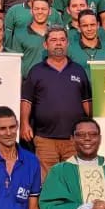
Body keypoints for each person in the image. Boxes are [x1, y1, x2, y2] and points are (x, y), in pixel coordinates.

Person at [20, 27, 92, 178]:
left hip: (74, 139)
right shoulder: (36, 71)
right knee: (47, 182)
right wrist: (24, 123)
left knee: (74, 180)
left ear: (67, 43)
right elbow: (26, 101)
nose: (58, 43)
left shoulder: (78, 70)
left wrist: (94, 124)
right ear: (45, 45)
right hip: (44, 139)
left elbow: (87, 102)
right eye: (53, 40)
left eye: (62, 40)